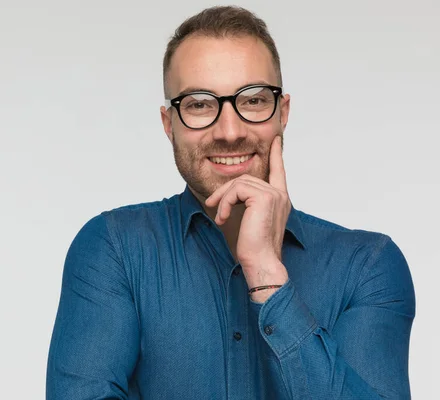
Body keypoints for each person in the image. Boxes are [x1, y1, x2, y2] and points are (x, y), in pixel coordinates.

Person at [46, 5, 415, 399]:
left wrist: (268, 279)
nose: (229, 131)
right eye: (200, 104)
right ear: (169, 124)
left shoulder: (368, 266)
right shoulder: (113, 249)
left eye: (253, 100)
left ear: (283, 112)